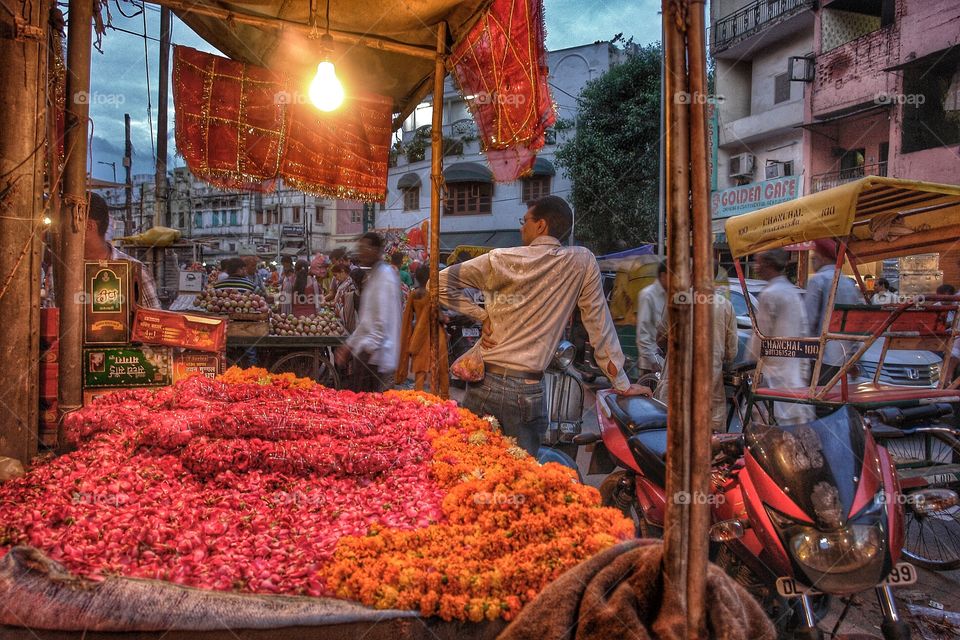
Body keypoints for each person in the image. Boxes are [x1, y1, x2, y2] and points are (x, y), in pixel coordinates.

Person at [439, 195, 650, 456]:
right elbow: (599, 323)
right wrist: (621, 382)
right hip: (526, 392)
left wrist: (481, 316)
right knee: (523, 476)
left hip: (484, 386)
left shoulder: (499, 258)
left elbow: (437, 284)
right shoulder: (581, 262)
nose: (521, 227)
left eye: (524, 220)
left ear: (541, 225)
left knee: (471, 465)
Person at [652, 272, 738, 432]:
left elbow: (661, 338)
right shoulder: (726, 306)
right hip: (710, 391)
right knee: (711, 446)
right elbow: (731, 353)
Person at [748, 249, 816, 424]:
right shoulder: (792, 292)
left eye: (758, 262)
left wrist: (748, 366)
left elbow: (760, 338)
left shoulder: (770, 294)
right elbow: (804, 332)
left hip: (773, 377)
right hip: (794, 377)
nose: (756, 267)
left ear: (769, 264)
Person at [334, 232, 402, 392]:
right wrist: (349, 346)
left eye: (364, 248)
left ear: (376, 250)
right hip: (368, 355)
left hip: (376, 358)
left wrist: (363, 348)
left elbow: (380, 323)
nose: (361, 252)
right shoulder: (374, 276)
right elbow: (367, 320)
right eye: (359, 248)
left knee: (370, 406)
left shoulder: (385, 277)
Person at [805, 238, 865, 386]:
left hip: (823, 358)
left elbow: (808, 321)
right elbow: (856, 326)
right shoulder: (849, 284)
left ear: (823, 258)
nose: (812, 262)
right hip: (844, 357)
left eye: (814, 258)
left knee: (817, 401)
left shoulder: (817, 281)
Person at [85, 192, 160, 308]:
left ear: (89, 226)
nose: (59, 232)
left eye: (65, 224)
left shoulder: (135, 272)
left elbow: (153, 322)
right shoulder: (59, 270)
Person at [396, 265, 450, 396]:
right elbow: (439, 316)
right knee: (441, 368)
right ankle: (442, 398)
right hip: (436, 334)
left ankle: (418, 397)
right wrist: (445, 318)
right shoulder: (433, 294)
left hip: (419, 336)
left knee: (420, 368)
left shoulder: (413, 294)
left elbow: (407, 317)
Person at [635, 261, 668, 379]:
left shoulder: (672, 295)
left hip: (664, 363)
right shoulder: (648, 295)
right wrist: (655, 361)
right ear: (664, 275)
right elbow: (643, 334)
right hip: (651, 367)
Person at [331, 263, 359, 332]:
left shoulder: (351, 284)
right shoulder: (342, 283)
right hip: (343, 318)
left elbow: (350, 304)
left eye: (336, 275)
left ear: (342, 272)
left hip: (350, 319)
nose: (336, 278)